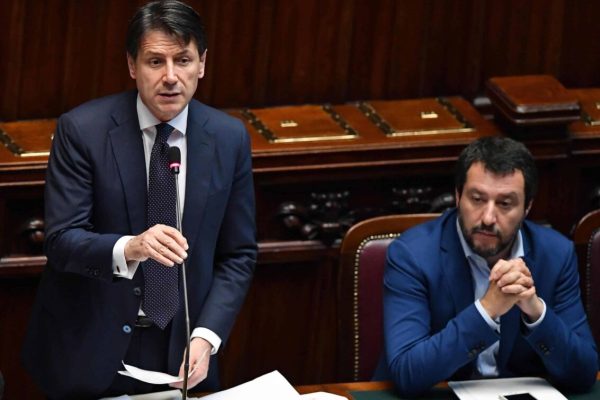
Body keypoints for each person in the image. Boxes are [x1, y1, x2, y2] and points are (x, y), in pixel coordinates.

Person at [21, 1, 257, 399]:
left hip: (181, 353)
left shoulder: (228, 138)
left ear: (202, 64)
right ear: (132, 66)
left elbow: (239, 254)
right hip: (90, 352)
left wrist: (207, 336)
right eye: (154, 62)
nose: (170, 77)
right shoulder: (83, 131)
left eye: (183, 60)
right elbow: (61, 241)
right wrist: (131, 247)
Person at [381, 137, 598, 397]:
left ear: (527, 207)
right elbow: (407, 372)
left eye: (505, 204)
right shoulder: (412, 255)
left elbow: (584, 374)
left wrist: (535, 311)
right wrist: (487, 309)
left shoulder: (556, 254)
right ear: (458, 196)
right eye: (477, 199)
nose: (487, 218)